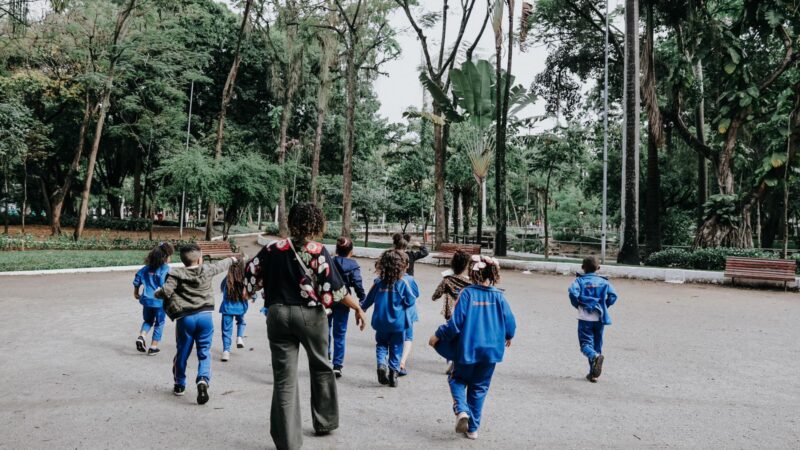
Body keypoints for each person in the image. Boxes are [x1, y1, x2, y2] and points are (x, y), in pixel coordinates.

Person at [244, 202, 366, 450]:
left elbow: (250, 276)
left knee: (284, 378)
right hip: (310, 315)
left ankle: (287, 441)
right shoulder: (318, 251)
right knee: (321, 367)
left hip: (277, 314)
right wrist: (357, 308)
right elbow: (335, 289)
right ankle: (324, 421)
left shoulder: (272, 248)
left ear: (291, 222)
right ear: (316, 223)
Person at [429, 255, 516, 440]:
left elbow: (455, 324)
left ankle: (462, 410)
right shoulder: (499, 296)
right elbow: (510, 323)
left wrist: (438, 335)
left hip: (468, 349)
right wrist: (509, 336)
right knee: (479, 388)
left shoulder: (467, 294)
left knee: (457, 380)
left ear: (472, 272)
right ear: (493, 274)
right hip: (491, 352)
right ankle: (473, 429)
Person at [155, 243, 237, 405]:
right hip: (205, 317)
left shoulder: (176, 274)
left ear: (183, 259)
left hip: (185, 319)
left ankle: (180, 385)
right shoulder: (207, 269)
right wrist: (234, 259)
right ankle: (203, 380)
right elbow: (222, 264)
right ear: (199, 259)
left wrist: (157, 293)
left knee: (182, 352)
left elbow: (165, 292)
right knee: (204, 351)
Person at [361, 249, 419, 388]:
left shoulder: (378, 282)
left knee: (381, 344)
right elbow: (411, 300)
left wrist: (362, 309)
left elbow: (368, 300)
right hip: (399, 323)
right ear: (401, 266)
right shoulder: (403, 283)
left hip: (381, 322)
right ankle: (393, 373)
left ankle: (381, 364)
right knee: (396, 347)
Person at [568, 256, 619, 383]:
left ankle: (595, 358)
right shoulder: (604, 282)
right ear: (598, 268)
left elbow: (572, 293)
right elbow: (613, 296)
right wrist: (604, 305)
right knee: (597, 345)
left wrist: (578, 304)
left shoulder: (579, 281)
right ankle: (593, 374)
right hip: (600, 318)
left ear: (582, 267)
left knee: (586, 345)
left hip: (585, 318)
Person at [329, 237, 366, 378]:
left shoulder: (330, 261)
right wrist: (362, 299)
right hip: (345, 300)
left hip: (327, 299)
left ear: (336, 250)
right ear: (351, 251)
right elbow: (357, 282)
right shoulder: (353, 265)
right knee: (340, 333)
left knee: (325, 330)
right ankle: (337, 365)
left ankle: (325, 358)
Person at [132, 242, 174, 356]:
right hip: (159, 301)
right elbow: (166, 284)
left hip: (146, 300)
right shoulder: (166, 268)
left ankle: (142, 336)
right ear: (165, 257)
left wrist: (136, 292)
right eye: (169, 256)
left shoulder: (146, 268)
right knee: (159, 323)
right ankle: (153, 347)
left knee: (148, 321)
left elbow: (137, 277)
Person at [219, 259, 250, 362]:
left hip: (227, 309)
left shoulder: (227, 279)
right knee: (241, 322)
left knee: (226, 330)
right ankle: (239, 337)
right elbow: (251, 291)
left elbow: (221, 287)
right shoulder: (244, 279)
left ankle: (226, 352)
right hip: (240, 308)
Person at [431, 250, 472, 320]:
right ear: (466, 266)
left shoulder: (447, 280)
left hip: (451, 314)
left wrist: (435, 297)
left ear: (453, 264)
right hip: (467, 313)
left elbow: (436, 295)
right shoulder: (471, 283)